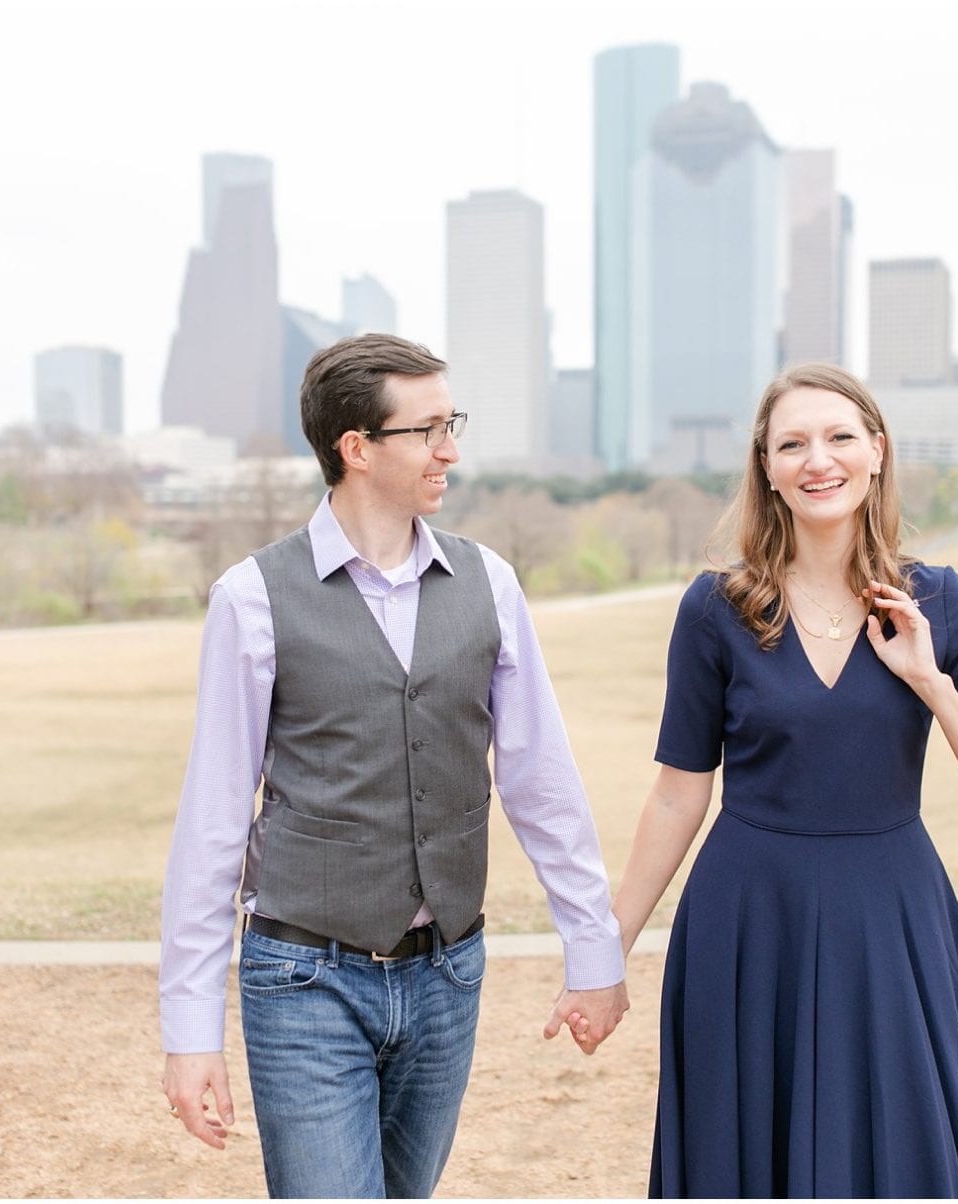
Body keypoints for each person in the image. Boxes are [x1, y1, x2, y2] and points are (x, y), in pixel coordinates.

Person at [158, 333, 629, 1199]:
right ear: (357, 448)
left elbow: (541, 781)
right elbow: (214, 819)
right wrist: (190, 1029)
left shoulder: (490, 583)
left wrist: (593, 951)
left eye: (453, 423)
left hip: (448, 971)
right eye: (429, 430)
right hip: (304, 977)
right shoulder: (252, 598)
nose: (451, 448)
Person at [611, 362, 958, 1198]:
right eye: (793, 443)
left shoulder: (941, 603)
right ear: (767, 468)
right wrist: (606, 949)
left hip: (892, 921)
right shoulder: (716, 609)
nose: (820, 460)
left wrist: (930, 680)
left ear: (877, 452)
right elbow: (678, 791)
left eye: (840, 437)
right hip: (747, 925)